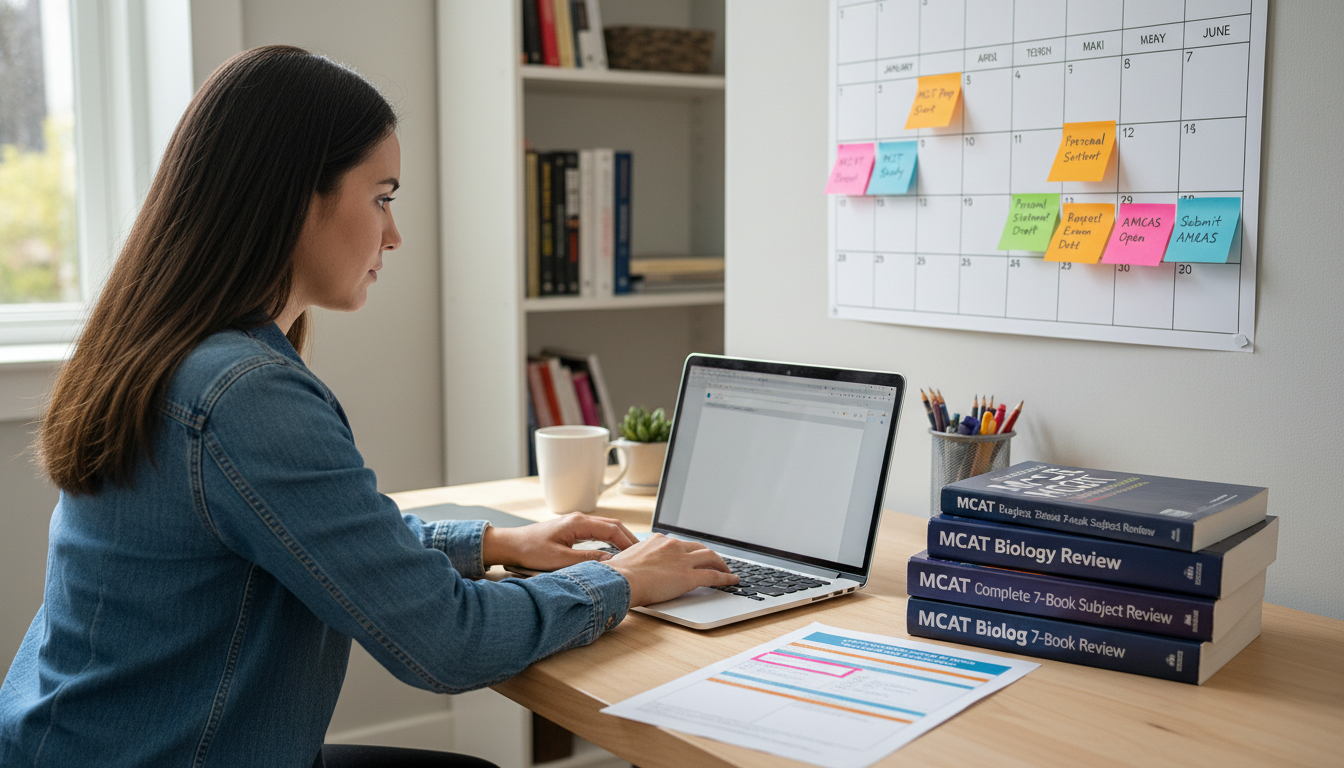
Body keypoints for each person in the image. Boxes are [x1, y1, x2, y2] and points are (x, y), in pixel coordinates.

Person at [0, 45, 737, 768]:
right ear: (295, 197)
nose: (394, 234)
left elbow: (306, 533)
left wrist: (493, 543)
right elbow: (448, 643)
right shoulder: (244, 392)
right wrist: (623, 579)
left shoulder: (166, 350)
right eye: (382, 197)